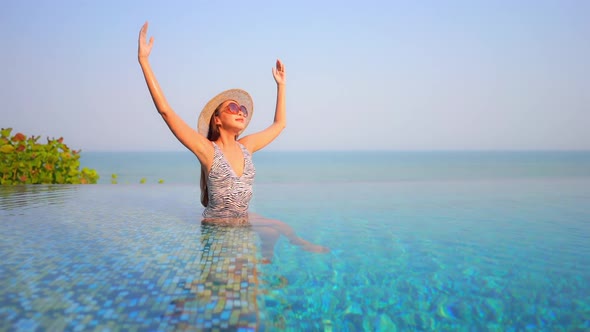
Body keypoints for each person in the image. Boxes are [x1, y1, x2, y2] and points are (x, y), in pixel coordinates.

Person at [137, 22, 327, 260]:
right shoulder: (208, 151)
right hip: (218, 227)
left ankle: (286, 246)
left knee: (275, 227)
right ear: (216, 119)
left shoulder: (246, 146)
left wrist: (281, 85)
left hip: (242, 219)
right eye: (233, 107)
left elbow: (280, 125)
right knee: (231, 282)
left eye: (243, 110)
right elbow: (166, 112)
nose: (241, 112)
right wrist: (144, 61)